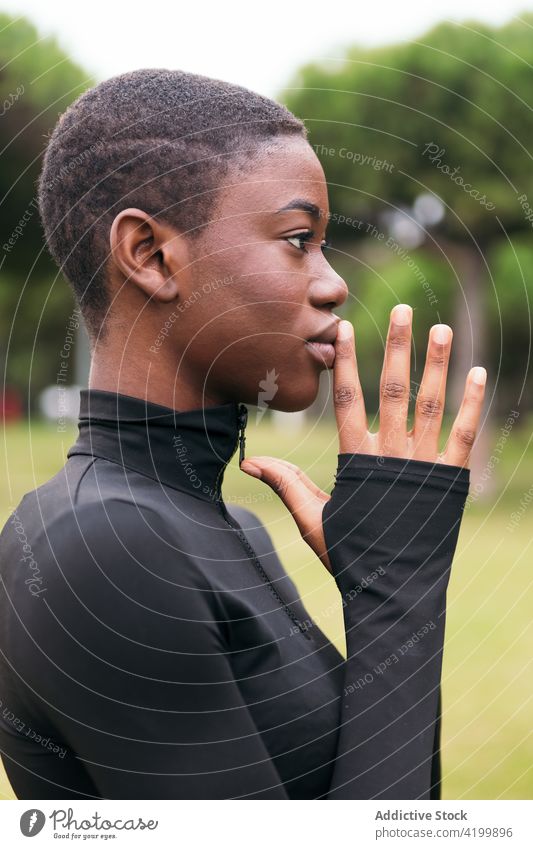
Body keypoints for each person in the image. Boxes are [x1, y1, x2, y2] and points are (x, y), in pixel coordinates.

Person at [0, 69, 485, 800]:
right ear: (150, 255)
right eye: (298, 239)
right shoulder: (101, 548)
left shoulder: (231, 531)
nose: (332, 283)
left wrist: (390, 587)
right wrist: (399, 594)